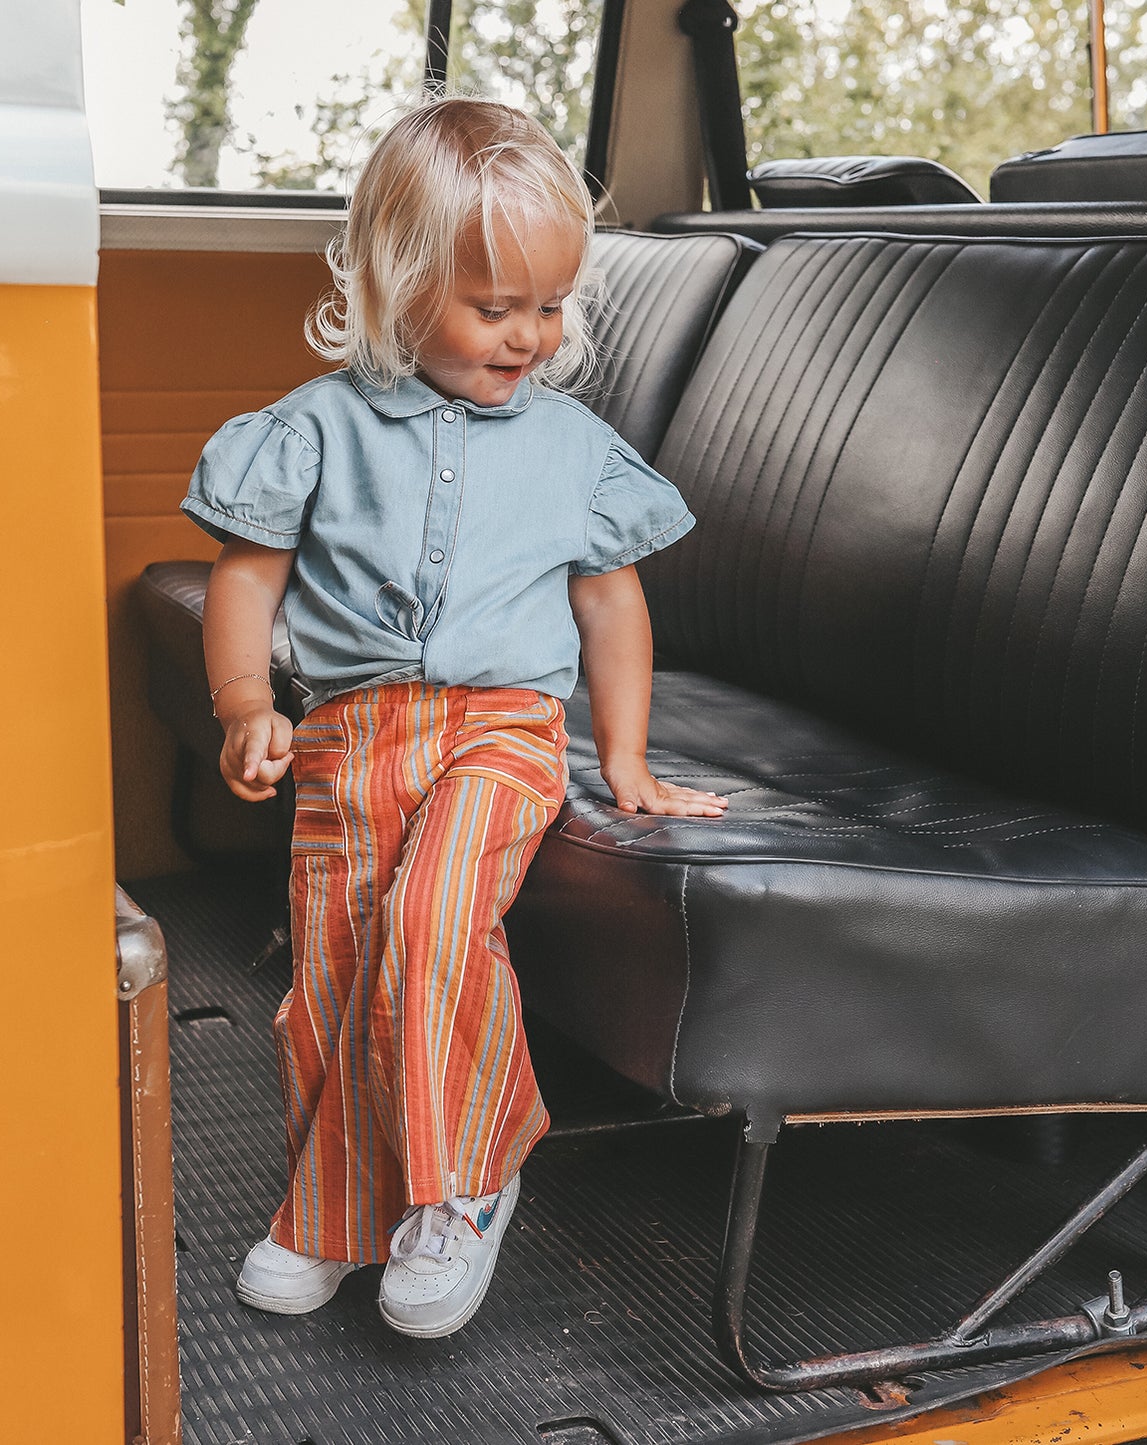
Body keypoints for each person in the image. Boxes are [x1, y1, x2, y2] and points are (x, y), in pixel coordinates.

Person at [181, 95, 727, 1341]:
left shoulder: (575, 447)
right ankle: (336, 1207)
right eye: (495, 306)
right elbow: (249, 576)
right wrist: (244, 704)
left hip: (502, 729)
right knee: (332, 970)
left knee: (432, 922)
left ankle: (466, 1179)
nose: (528, 334)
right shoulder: (311, 428)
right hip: (348, 733)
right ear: (394, 282)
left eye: (549, 305)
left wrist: (625, 758)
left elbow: (612, 605)